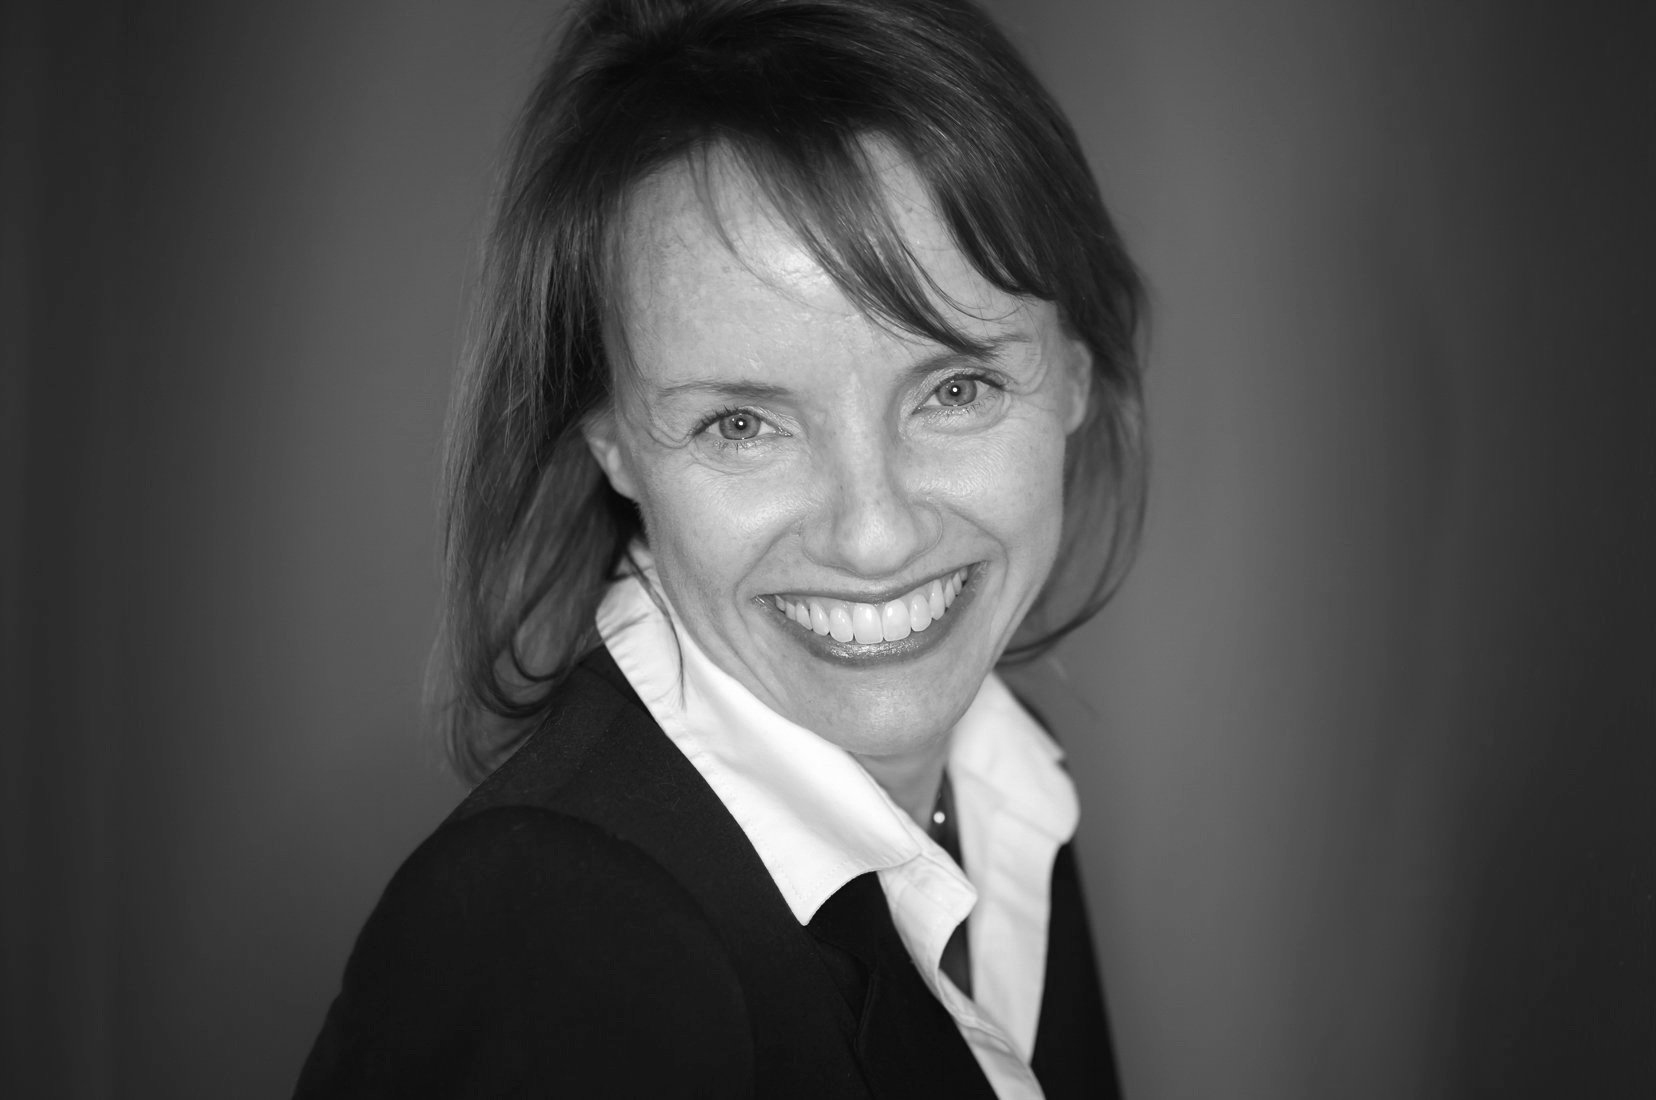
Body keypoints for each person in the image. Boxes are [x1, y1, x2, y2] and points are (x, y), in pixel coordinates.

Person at [295, 0, 1144, 1095]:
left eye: (956, 386)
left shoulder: (1004, 780)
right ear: (613, 442)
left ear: (1074, 371)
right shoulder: (545, 949)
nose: (873, 531)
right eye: (740, 423)